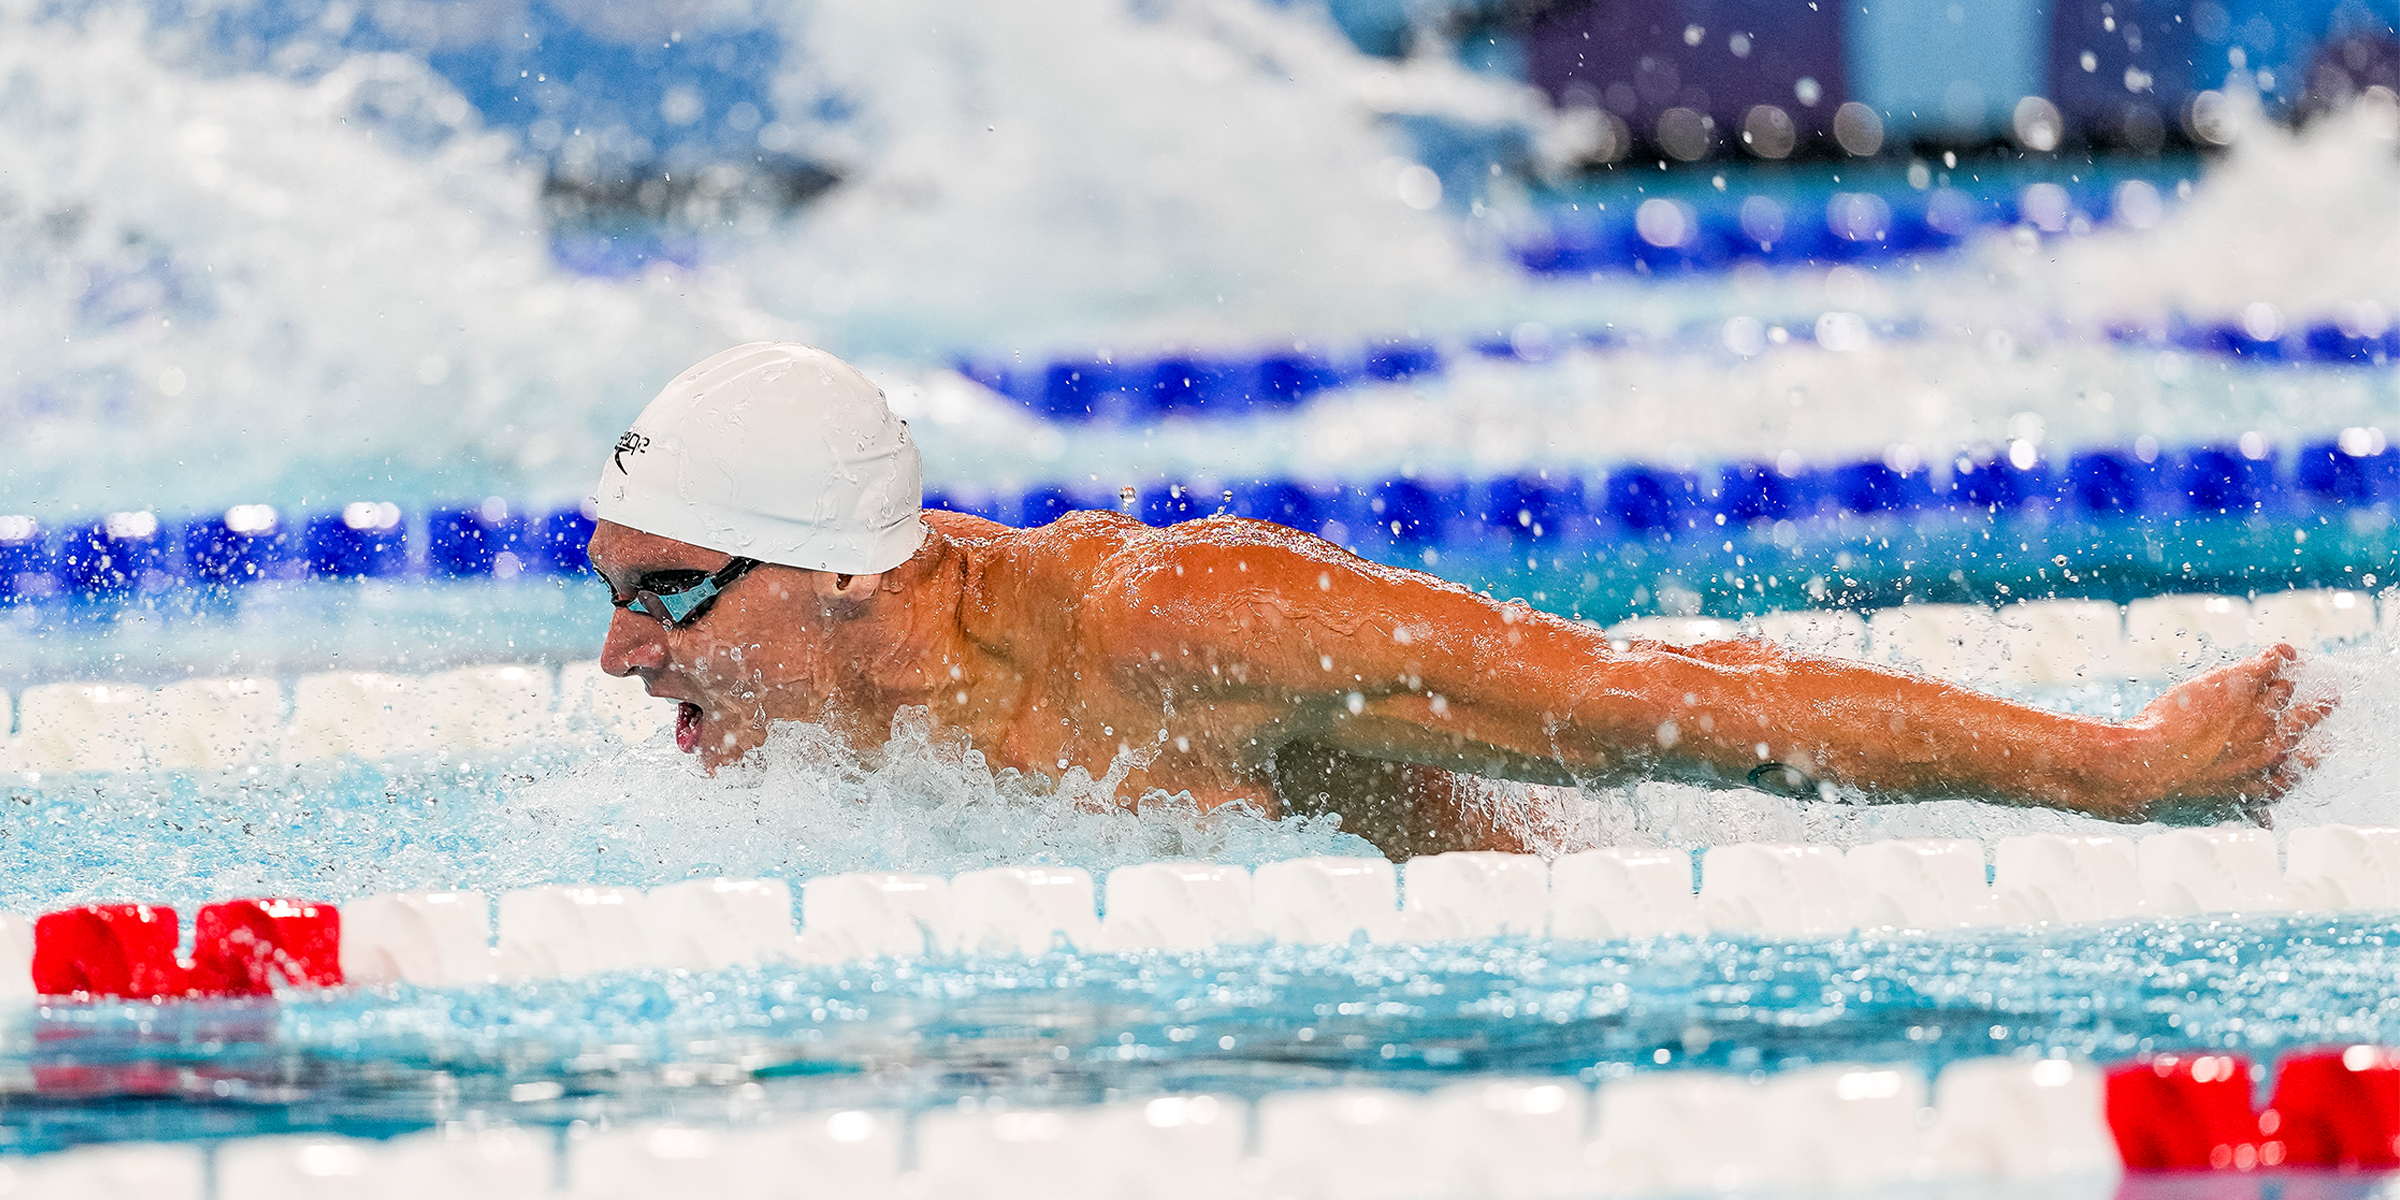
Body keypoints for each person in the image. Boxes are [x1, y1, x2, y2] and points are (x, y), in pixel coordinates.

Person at [589, 343, 2327, 858]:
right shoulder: (797, 702)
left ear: (837, 579)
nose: (617, 656)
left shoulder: (1170, 626)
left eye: (663, 601)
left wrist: (2121, 770)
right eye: (610, 595)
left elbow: (1665, 705)